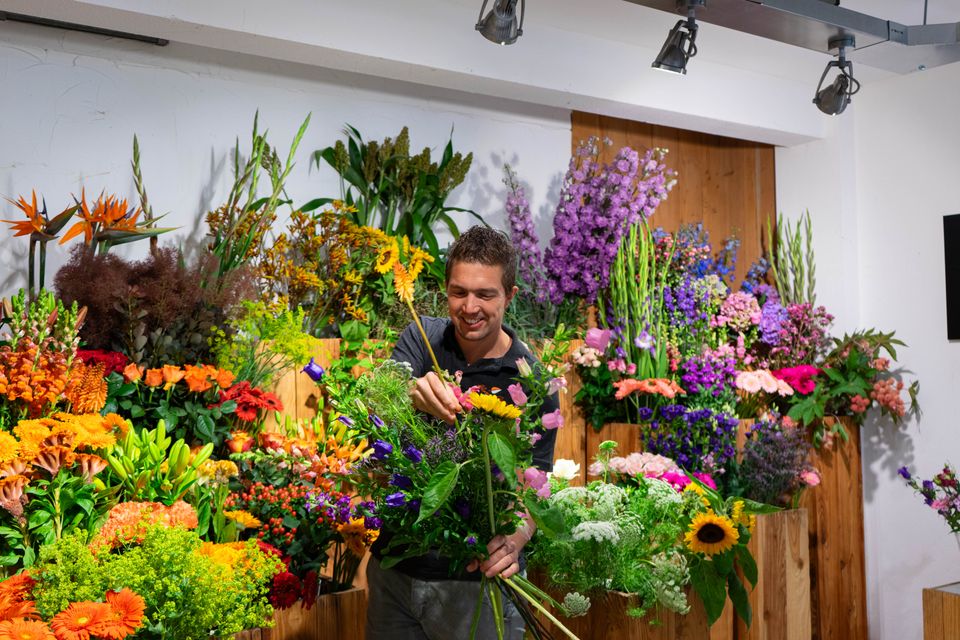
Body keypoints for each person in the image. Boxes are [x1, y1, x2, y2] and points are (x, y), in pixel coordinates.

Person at [365, 226, 559, 640]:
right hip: (394, 573)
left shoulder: (532, 382)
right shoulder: (422, 338)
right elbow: (378, 399)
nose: (469, 307)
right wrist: (406, 391)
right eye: (459, 292)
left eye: (485, 294)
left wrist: (516, 538)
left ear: (511, 295)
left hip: (474, 584)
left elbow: (536, 483)